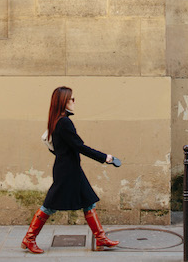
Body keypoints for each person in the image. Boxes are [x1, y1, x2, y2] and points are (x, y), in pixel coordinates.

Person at [21, 86, 120, 254]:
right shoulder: (64, 122)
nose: (74, 102)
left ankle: (100, 238)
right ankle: (29, 239)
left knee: (88, 201)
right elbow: (79, 146)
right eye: (71, 99)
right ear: (63, 102)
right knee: (49, 205)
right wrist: (105, 157)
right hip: (67, 172)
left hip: (70, 169)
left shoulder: (57, 120)